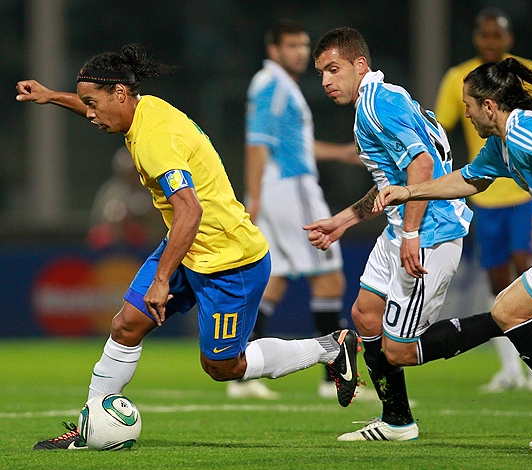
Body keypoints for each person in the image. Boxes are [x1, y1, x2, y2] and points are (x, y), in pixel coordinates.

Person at [16, 44, 360, 450]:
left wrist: (162, 280)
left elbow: (190, 211)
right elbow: (102, 107)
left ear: (120, 95)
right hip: (188, 246)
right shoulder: (141, 109)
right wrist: (52, 96)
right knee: (127, 324)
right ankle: (90, 424)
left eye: (92, 103)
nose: (89, 112)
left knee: (223, 366)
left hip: (229, 259)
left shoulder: (154, 139)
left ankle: (327, 348)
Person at [374, 57, 532, 450]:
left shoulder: (523, 129)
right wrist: (409, 191)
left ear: (489, 106)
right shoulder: (500, 146)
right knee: (509, 308)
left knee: (508, 308)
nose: (466, 115)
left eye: (469, 105)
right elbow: (468, 180)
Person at [305, 27, 473, 441]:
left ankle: (507, 321)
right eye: (321, 72)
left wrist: (412, 233)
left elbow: (422, 166)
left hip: (429, 233)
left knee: (400, 348)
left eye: (333, 69)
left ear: (359, 65)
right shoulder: (377, 101)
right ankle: (397, 421)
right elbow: (391, 184)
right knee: (364, 315)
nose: (326, 80)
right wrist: (343, 221)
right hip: (403, 229)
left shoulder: (378, 104)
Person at [238, 19, 361, 400]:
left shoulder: (280, 85)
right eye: (291, 45)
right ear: (273, 49)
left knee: (275, 278)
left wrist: (340, 153)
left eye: (303, 45)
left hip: (281, 188)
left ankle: (241, 366)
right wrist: (253, 199)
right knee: (329, 279)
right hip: (290, 189)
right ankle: (332, 377)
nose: (299, 53)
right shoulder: (271, 85)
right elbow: (257, 145)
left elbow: (290, 143)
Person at [434, 7, 532, 392]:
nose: (490, 43)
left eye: (496, 36)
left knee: (526, 268)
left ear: (508, 40)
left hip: (525, 192)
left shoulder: (527, 73)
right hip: (485, 197)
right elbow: (440, 128)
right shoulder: (458, 78)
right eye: (484, 36)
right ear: (476, 39)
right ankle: (510, 369)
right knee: (498, 281)